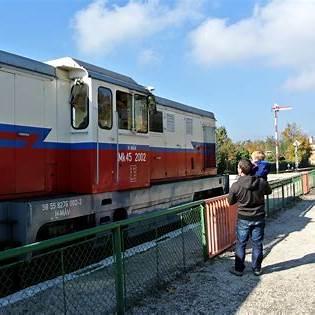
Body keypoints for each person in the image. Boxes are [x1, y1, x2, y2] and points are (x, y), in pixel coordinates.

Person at [228, 158, 272, 276]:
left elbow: (230, 202)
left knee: (241, 243)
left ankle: (239, 269)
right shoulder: (261, 182)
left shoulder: (236, 186)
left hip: (243, 218)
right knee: (257, 243)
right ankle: (257, 269)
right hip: (259, 217)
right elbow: (269, 191)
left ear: (241, 170)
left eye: (238, 167)